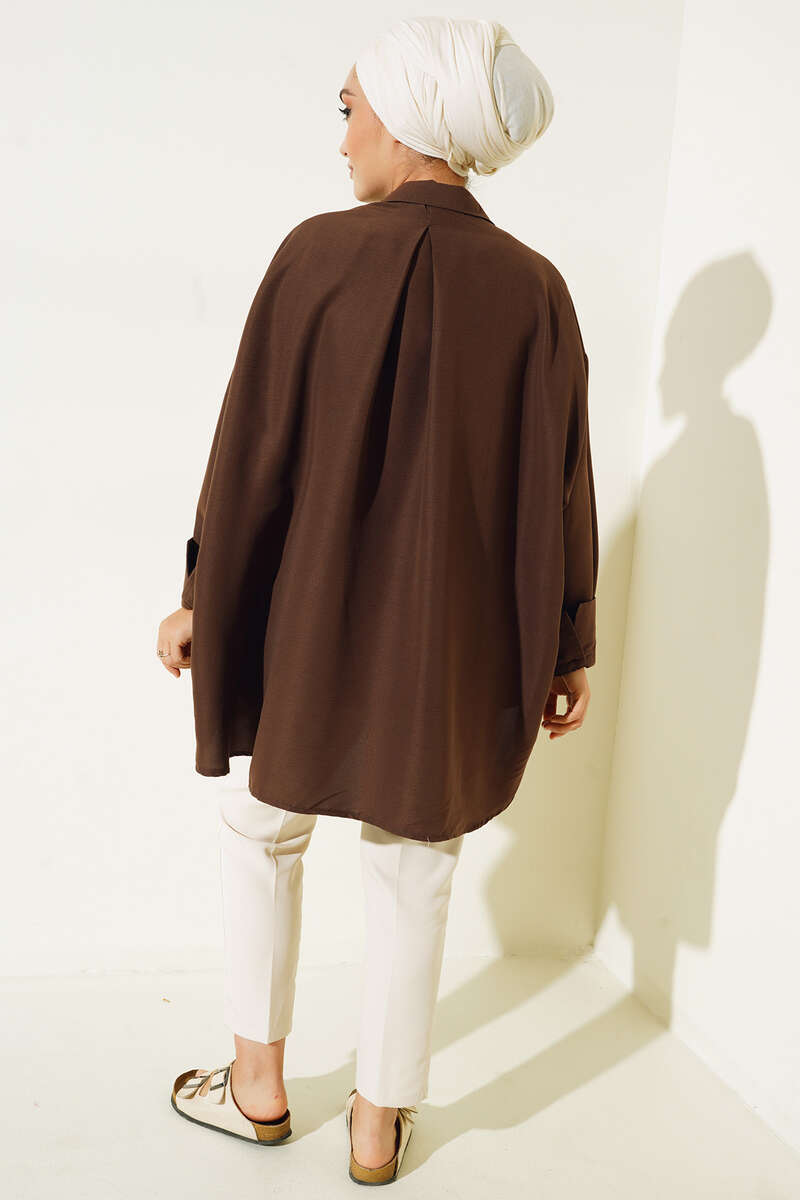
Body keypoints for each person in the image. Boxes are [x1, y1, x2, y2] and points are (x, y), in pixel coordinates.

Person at [157, 15, 598, 1185]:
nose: (342, 133)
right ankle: (376, 1122)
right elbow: (560, 485)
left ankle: (255, 1083)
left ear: (405, 114)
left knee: (263, 828)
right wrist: (567, 642)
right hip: (449, 638)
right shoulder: (535, 290)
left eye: (349, 107)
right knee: (415, 857)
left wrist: (204, 595)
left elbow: (250, 454)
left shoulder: (314, 254)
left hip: (311, 616)